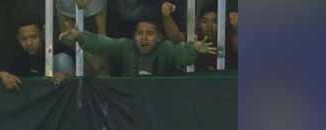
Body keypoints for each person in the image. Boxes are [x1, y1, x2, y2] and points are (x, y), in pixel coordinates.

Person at [59, 17, 216, 76]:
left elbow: (181, 55)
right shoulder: (126, 46)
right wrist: (79, 36)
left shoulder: (165, 48)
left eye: (150, 33)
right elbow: (103, 44)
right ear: (134, 36)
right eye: (140, 33)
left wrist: (194, 49)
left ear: (159, 37)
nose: (144, 37)